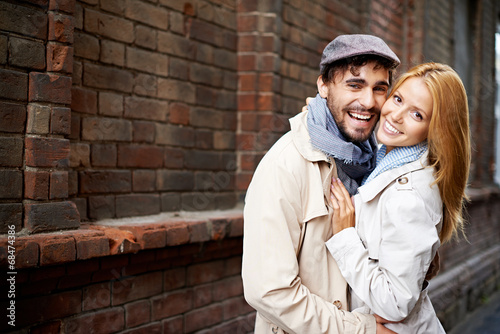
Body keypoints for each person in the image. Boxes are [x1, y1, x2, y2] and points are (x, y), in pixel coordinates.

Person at [242, 34, 400, 333]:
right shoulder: (286, 165)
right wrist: (363, 330)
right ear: (324, 86)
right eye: (355, 85)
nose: (368, 102)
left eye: (379, 89)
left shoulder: (376, 165)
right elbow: (269, 291)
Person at [327, 62, 471, 333]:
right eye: (398, 99)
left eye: (417, 114)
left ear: (435, 129)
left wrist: (345, 237)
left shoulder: (408, 198)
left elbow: (394, 304)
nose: (395, 115)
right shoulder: (389, 158)